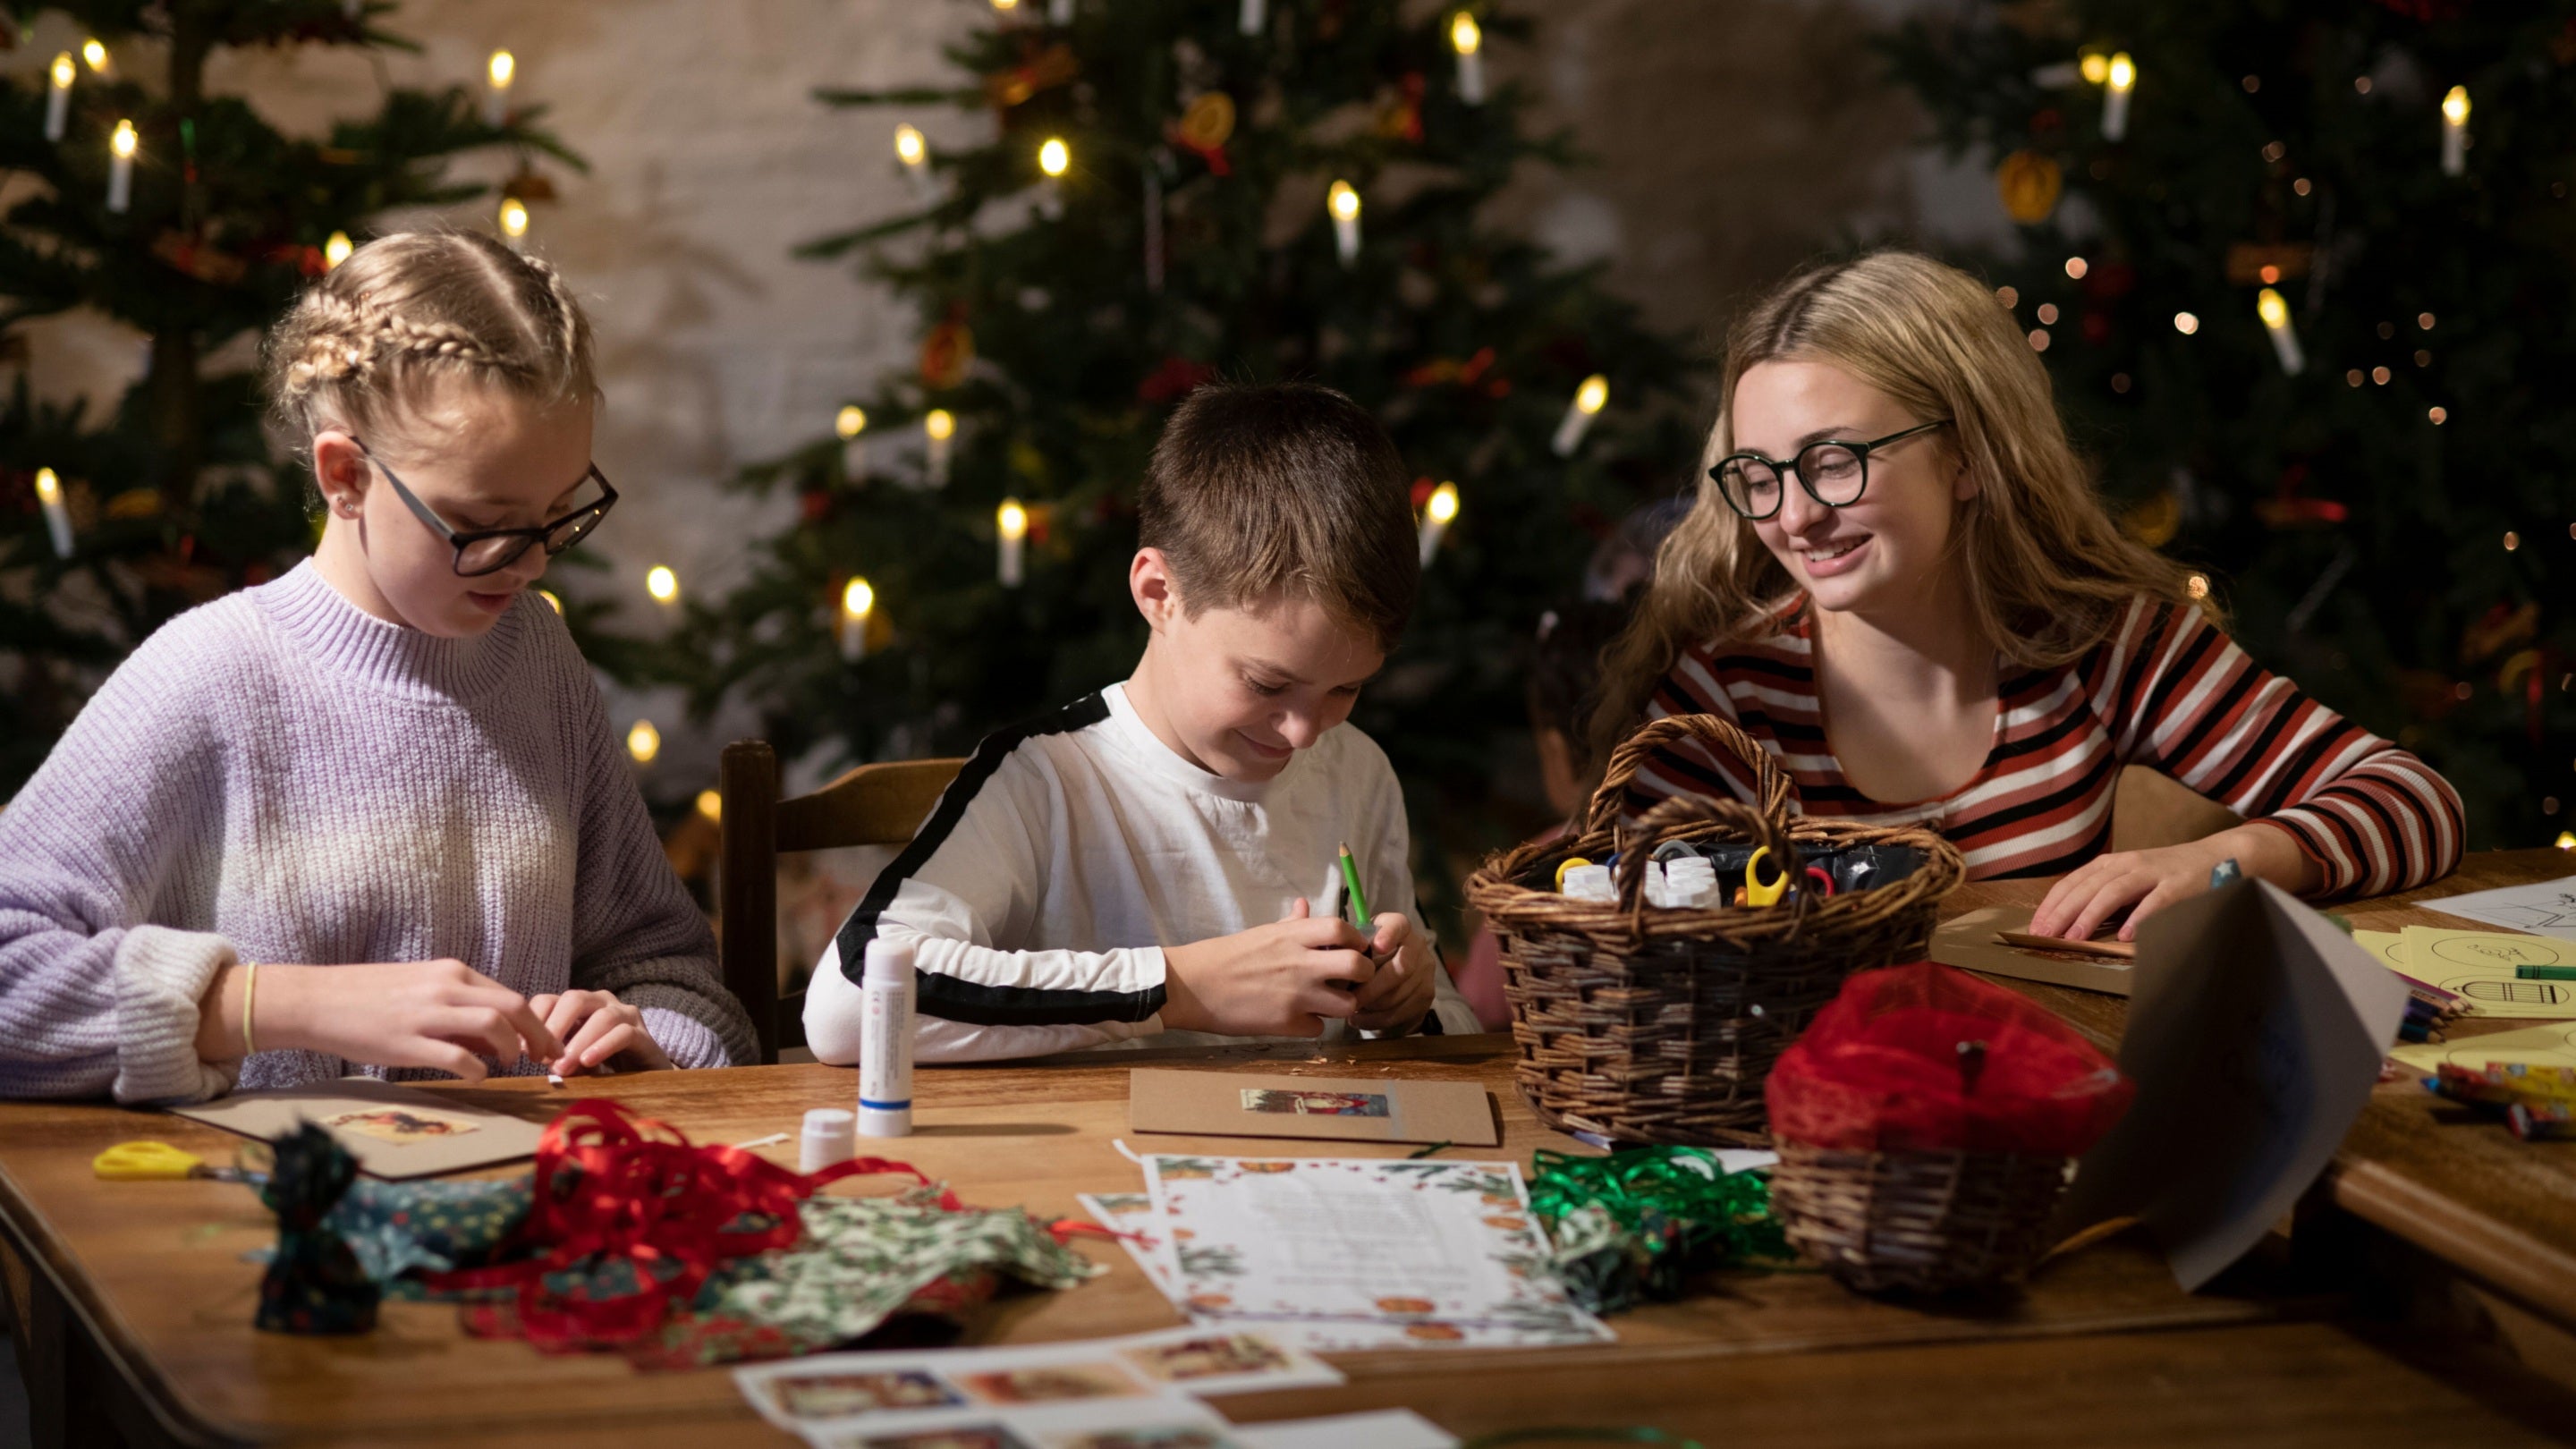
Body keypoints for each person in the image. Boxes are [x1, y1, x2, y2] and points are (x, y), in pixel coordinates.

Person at [0, 232, 755, 1103]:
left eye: (558, 515)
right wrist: (275, 1005)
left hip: (526, 1212)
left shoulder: (537, 658)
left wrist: (645, 1036)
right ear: (345, 477)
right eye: (485, 524)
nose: (533, 564)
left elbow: (675, 976)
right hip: (261, 1222)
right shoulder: (210, 674)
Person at [1591, 250, 2462, 941]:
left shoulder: (2104, 644)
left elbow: (2414, 801)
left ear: (1968, 455)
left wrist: (2228, 860)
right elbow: (1649, 973)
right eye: (1761, 475)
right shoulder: (1724, 708)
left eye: (1833, 461)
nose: (1796, 516)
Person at [807, 381, 1479, 1063]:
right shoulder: (1045, 780)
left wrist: (1407, 1007)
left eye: (1347, 689)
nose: (1306, 733)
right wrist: (1178, 989)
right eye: (1266, 683)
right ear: (1159, 594)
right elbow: (847, 1001)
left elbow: (1453, 1027)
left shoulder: (1356, 769)